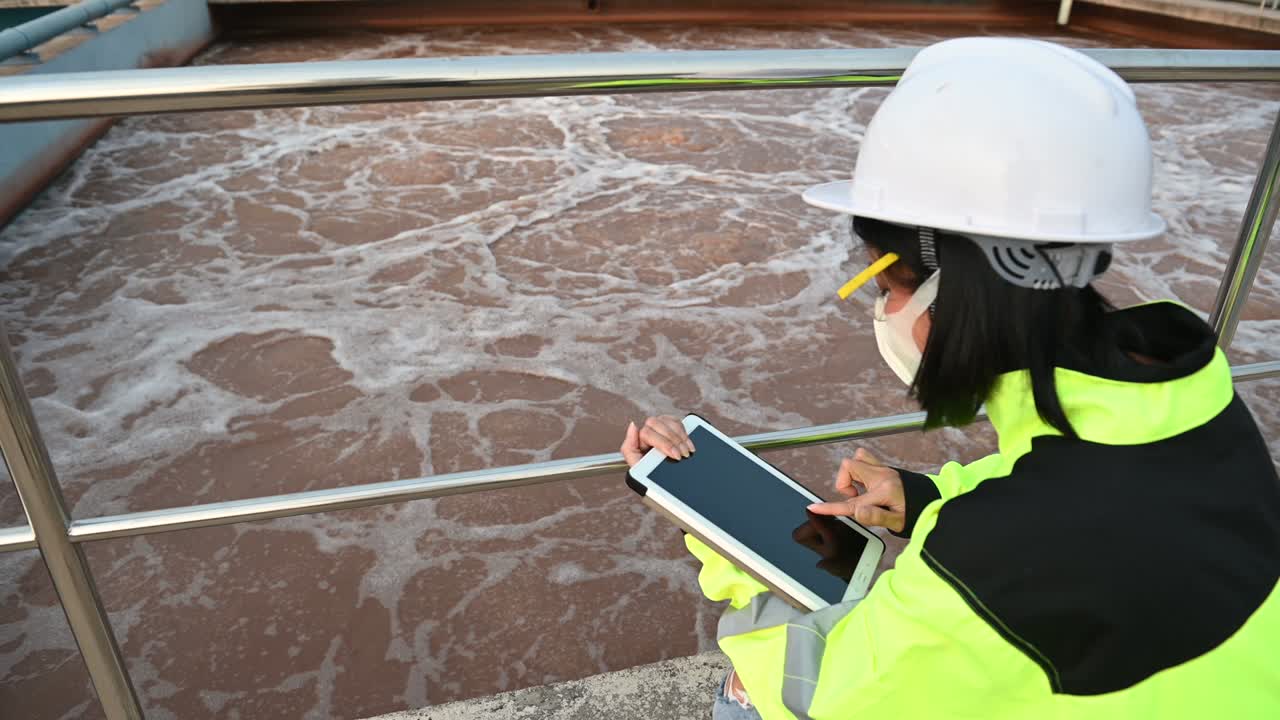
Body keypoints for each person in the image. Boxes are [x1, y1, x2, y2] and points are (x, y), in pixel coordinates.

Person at [619, 38, 1280, 719]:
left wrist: (724, 552)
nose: (882, 311)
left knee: (743, 699)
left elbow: (829, 695)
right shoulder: (1191, 393)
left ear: (952, 293)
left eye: (882, 283)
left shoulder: (987, 564)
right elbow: (1076, 488)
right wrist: (926, 498)